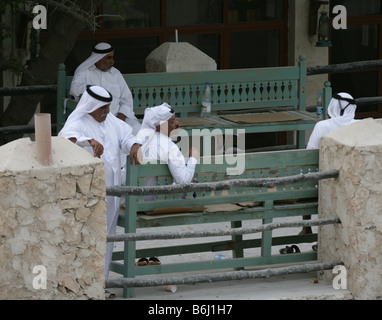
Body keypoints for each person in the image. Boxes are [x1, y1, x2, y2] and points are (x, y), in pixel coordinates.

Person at [58, 85, 141, 280]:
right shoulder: (78, 120)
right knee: (86, 238)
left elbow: (127, 136)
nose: (106, 112)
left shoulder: (110, 120)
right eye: (103, 108)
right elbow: (66, 138)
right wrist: (89, 141)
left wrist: (134, 145)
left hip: (111, 193)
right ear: (91, 105)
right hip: (86, 194)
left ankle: (100, 284)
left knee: (107, 238)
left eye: (108, 107)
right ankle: (83, 283)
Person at [301, 92, 358, 235]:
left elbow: (309, 153)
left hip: (323, 181)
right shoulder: (359, 125)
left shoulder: (322, 125)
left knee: (307, 174)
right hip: (352, 180)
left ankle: (306, 226)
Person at [69, 42, 141, 135]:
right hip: (95, 117)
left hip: (118, 116)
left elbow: (127, 99)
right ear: (98, 59)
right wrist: (95, 90)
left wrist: (121, 116)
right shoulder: (85, 71)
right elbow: (75, 88)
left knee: (137, 130)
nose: (113, 61)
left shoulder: (116, 74)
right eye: (109, 58)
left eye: (112, 57)